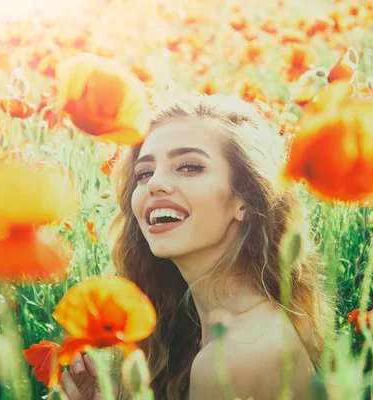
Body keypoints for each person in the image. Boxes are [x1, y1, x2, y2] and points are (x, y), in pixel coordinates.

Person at [60, 93, 332, 400]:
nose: (155, 183)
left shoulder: (234, 356)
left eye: (189, 167)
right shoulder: (200, 328)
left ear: (243, 199)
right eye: (144, 173)